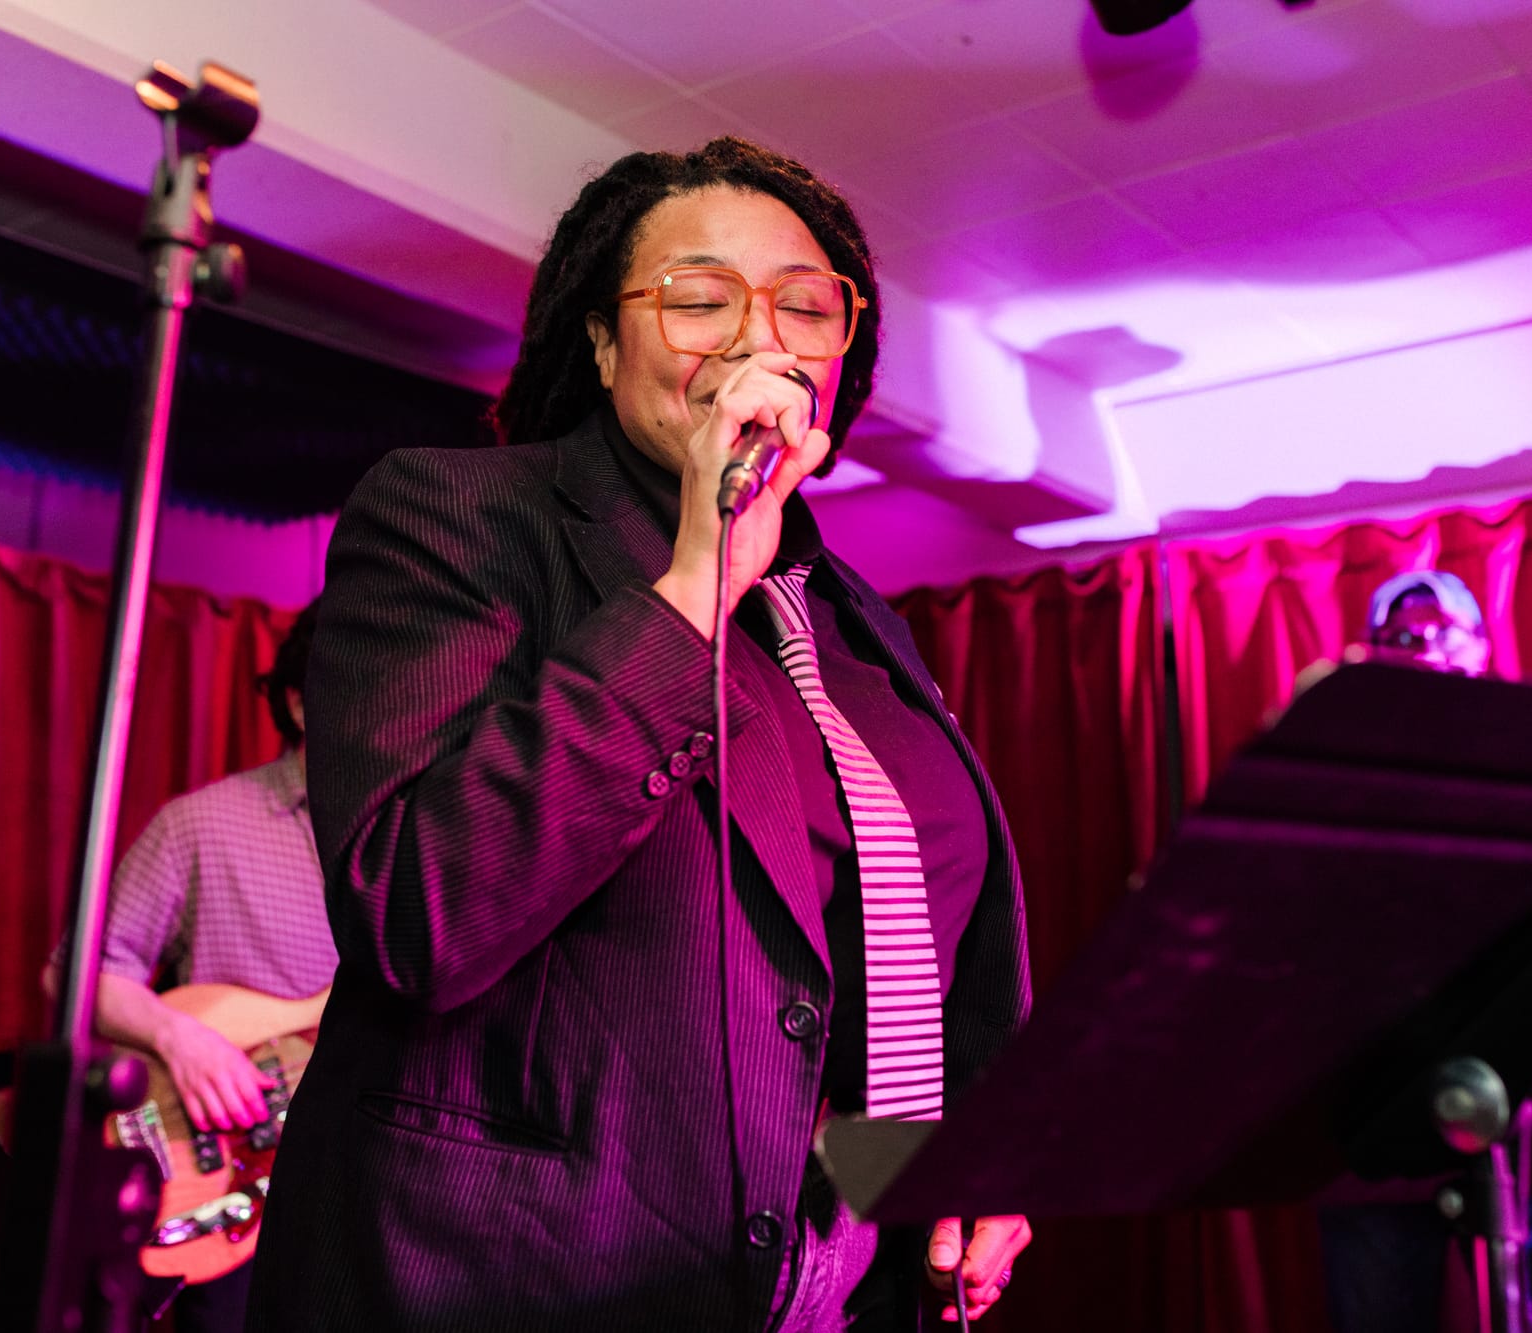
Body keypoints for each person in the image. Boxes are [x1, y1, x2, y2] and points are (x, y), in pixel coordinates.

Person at [246, 138, 1035, 1331]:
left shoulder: (850, 619)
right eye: (698, 299)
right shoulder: (458, 514)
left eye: (802, 306)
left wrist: (944, 1166)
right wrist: (695, 581)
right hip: (517, 1285)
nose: (756, 337)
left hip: (820, 1290)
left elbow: (859, 988)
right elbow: (420, 910)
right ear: (604, 347)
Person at [49, 598, 335, 1333]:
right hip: (234, 1182)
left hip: (363, 1190)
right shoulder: (203, 824)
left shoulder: (423, 840)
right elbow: (75, 973)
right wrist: (183, 1041)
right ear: (298, 704)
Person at [1318, 570, 1532, 1333]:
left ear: (1482, 649)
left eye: (1445, 631)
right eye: (1404, 636)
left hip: (1520, 1086)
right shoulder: (1337, 772)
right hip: (1375, 1095)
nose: (1427, 647)